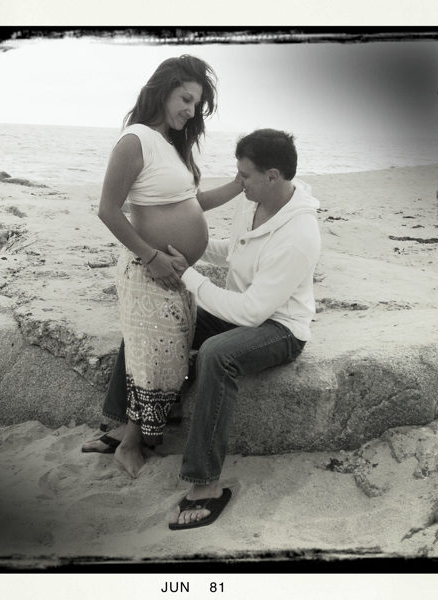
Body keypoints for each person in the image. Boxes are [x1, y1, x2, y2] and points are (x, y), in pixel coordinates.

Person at [81, 55, 242, 478]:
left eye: (196, 104)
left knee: (164, 358)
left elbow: (192, 203)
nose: (191, 110)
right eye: (185, 99)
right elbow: (108, 210)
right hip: (148, 269)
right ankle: (129, 445)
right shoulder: (135, 140)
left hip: (174, 273)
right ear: (163, 90)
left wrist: (239, 185)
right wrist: (152, 258)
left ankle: (126, 434)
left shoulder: (170, 146)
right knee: (157, 362)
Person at [164, 128, 322, 529]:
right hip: (241, 310)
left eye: (245, 175)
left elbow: (252, 313)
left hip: (280, 327)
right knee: (164, 314)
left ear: (272, 176)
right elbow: (234, 251)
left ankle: (205, 484)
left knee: (216, 354)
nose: (239, 182)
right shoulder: (254, 200)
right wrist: (189, 250)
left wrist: (190, 278)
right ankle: (122, 426)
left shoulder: (298, 235)